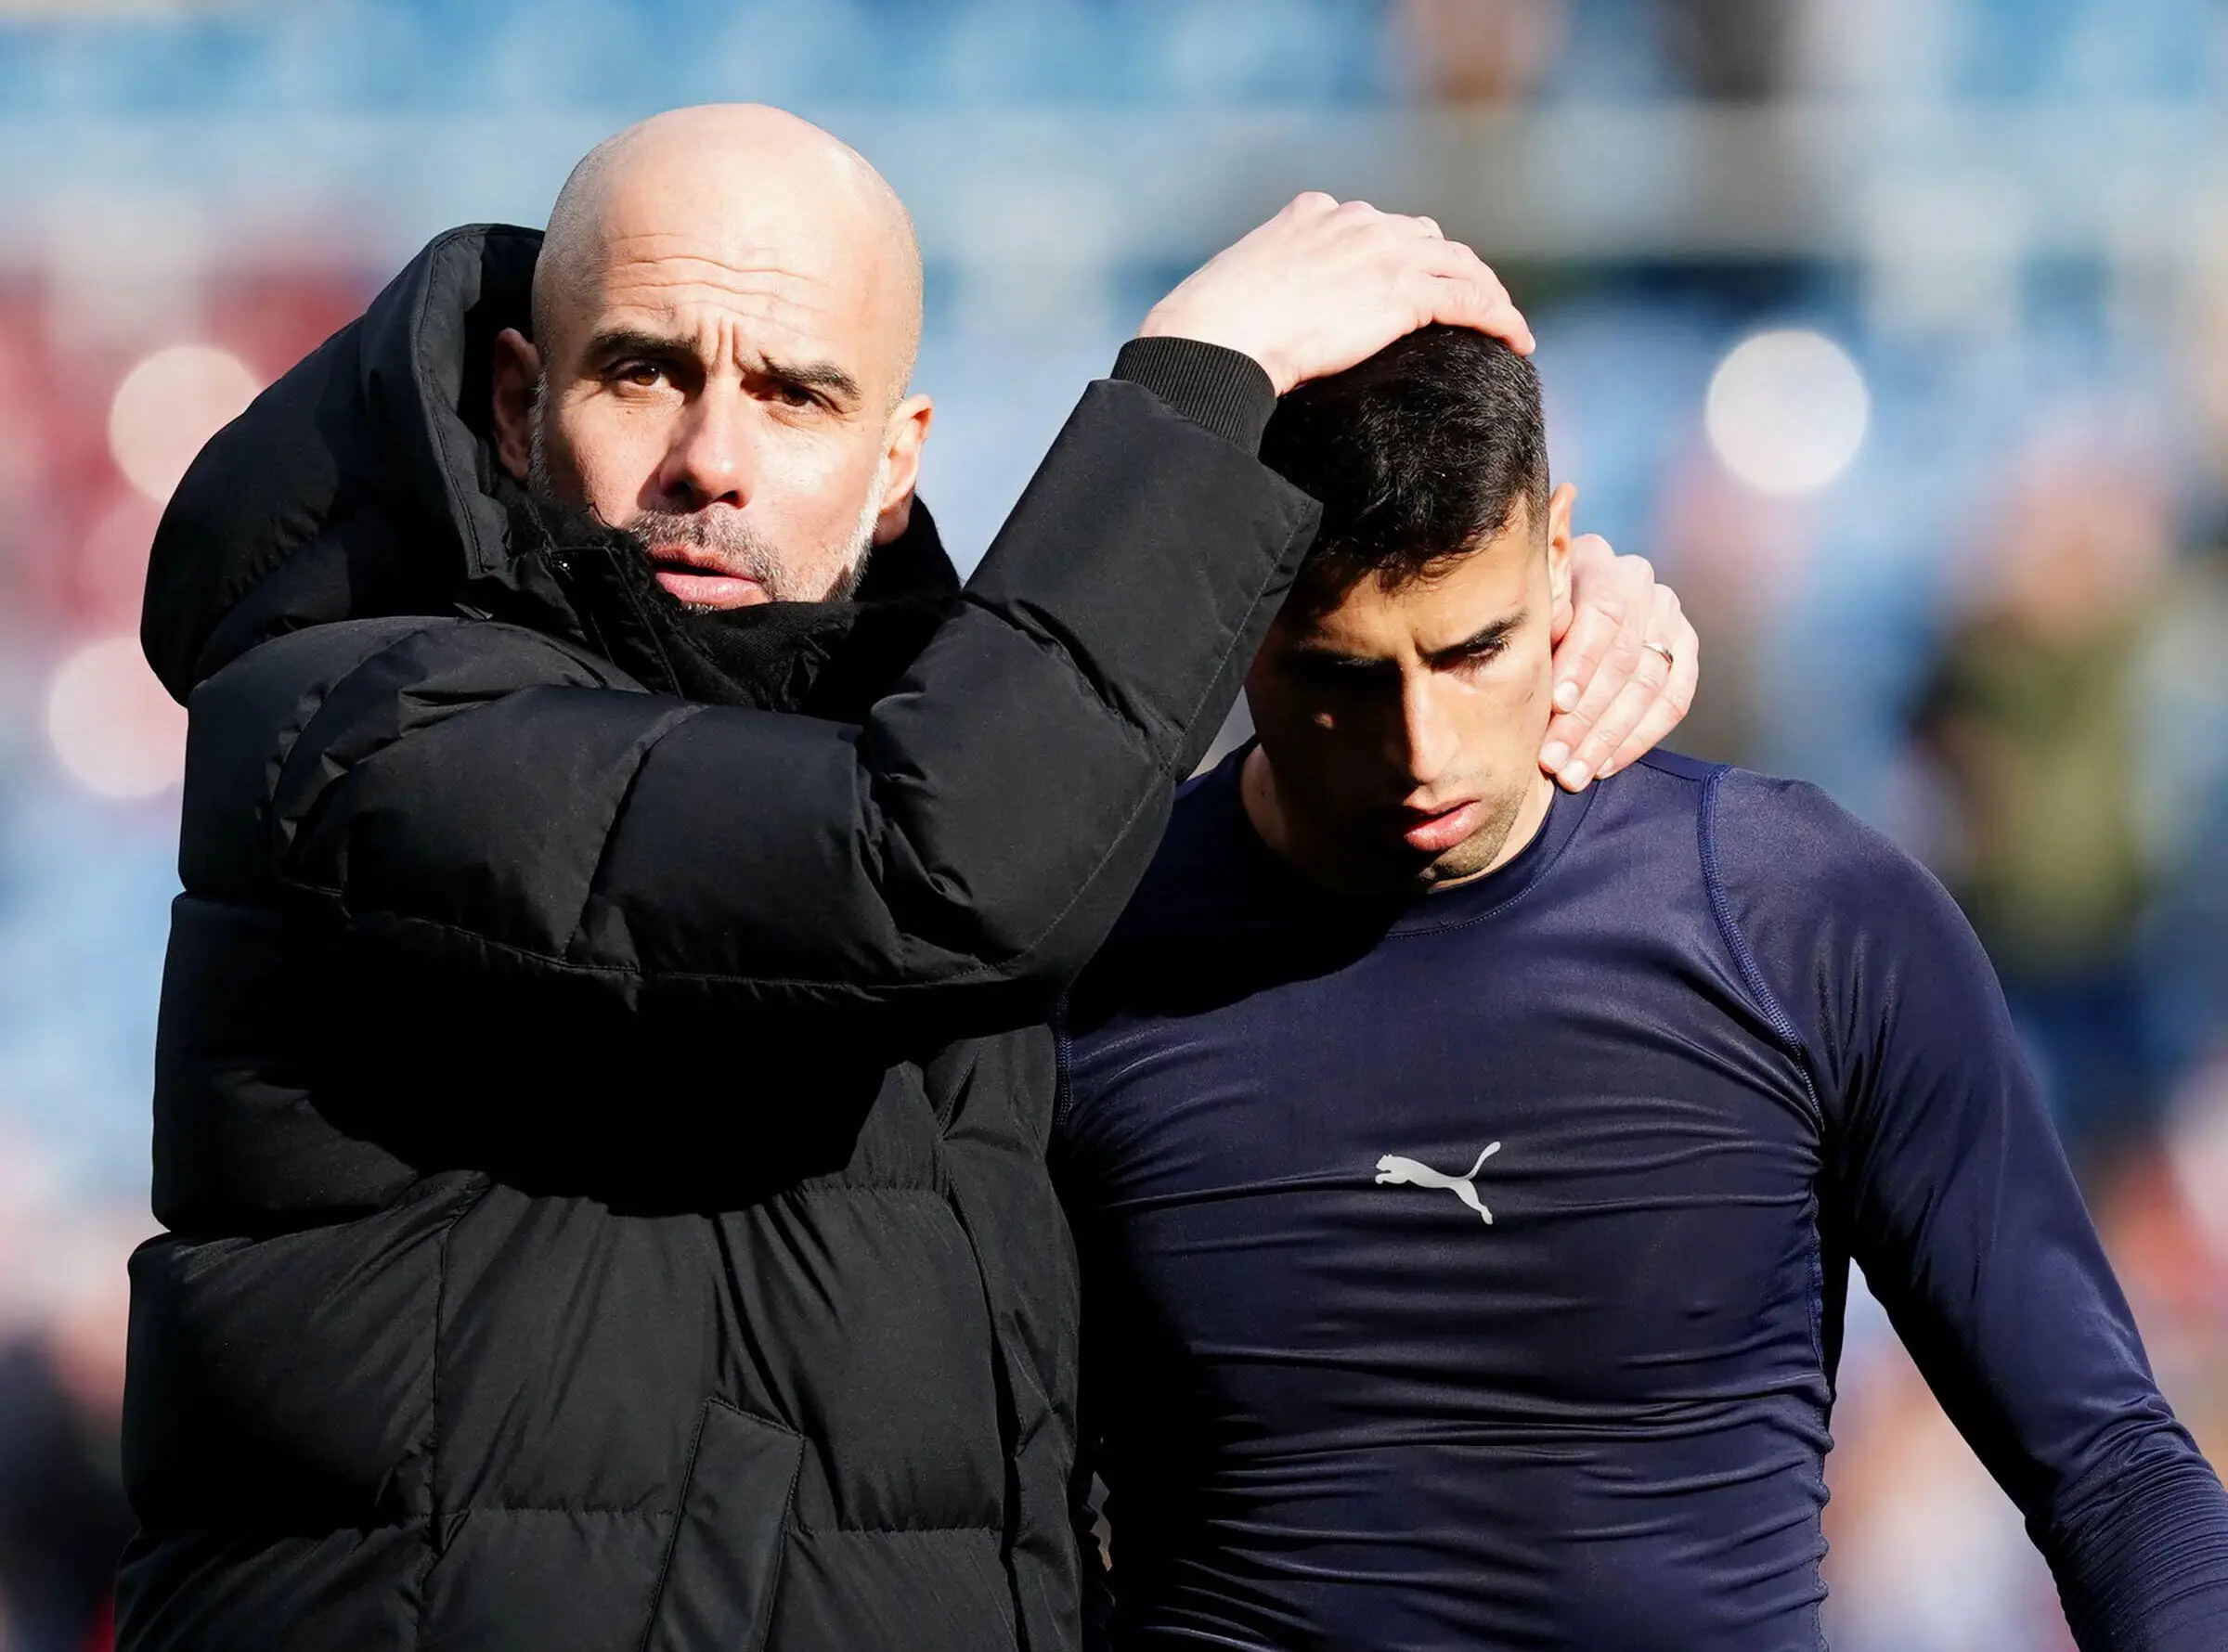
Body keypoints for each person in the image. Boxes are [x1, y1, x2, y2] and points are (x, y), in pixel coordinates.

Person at [121, 105, 1690, 1652]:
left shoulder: (933, 765)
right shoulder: (352, 725)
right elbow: (930, 865)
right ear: (520, 405)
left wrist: (1538, 652)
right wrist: (1201, 386)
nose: (709, 460)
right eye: (645, 370)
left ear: (896, 465)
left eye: (797, 396)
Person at [1056, 326, 2228, 1650]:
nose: (1421, 750)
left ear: (1559, 558)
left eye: (1474, 651)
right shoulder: (1083, 956)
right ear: (1237, 618)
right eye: (1342, 674)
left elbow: (2119, 1474)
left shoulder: (1807, 922)